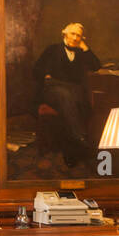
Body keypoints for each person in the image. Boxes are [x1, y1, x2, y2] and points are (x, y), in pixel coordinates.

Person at [32, 22, 102, 168]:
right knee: (65, 95)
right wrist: (46, 75)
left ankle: (73, 149)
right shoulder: (52, 49)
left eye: (79, 36)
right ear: (64, 33)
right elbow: (36, 70)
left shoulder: (81, 53)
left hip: (72, 92)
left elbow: (97, 66)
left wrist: (85, 48)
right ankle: (81, 139)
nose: (75, 38)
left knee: (73, 99)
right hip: (51, 91)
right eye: (73, 34)